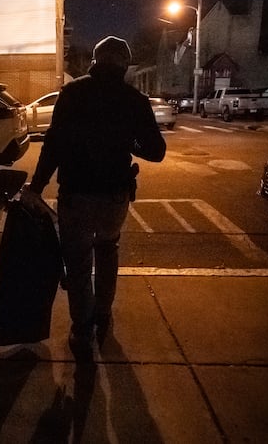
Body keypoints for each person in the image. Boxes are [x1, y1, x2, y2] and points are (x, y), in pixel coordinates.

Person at [21, 35, 166, 360]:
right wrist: (128, 143)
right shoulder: (134, 100)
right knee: (108, 250)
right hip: (114, 196)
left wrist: (36, 186)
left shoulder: (73, 93)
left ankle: (82, 329)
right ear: (125, 65)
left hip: (77, 194)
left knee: (78, 263)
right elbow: (157, 152)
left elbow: (53, 144)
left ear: (95, 61)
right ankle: (103, 314)